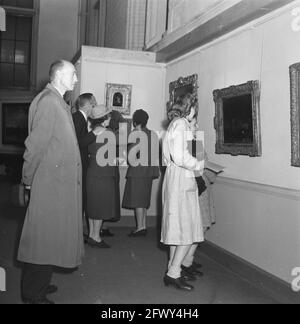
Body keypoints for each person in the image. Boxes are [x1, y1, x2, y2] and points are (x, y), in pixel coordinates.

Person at [18, 60, 84, 304]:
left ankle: (41, 285)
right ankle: (33, 295)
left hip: (56, 185)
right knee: (42, 241)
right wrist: (28, 181)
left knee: (49, 239)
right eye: (73, 74)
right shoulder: (48, 102)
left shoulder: (57, 101)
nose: (76, 79)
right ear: (58, 75)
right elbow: (34, 147)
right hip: (49, 185)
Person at [161, 94, 205, 291]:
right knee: (186, 229)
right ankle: (173, 272)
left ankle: (174, 269)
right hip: (182, 178)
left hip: (176, 178)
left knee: (177, 229)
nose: (196, 110)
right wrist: (199, 164)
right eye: (194, 107)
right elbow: (181, 156)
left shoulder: (174, 124)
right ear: (188, 107)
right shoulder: (181, 124)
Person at [86, 105, 121, 248]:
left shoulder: (90, 133)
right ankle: (96, 236)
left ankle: (91, 235)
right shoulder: (110, 134)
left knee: (93, 205)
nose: (110, 118)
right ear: (104, 118)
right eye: (108, 116)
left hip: (92, 172)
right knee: (100, 206)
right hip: (105, 174)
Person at [122, 109, 160, 237]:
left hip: (138, 170)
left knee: (138, 200)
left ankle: (140, 227)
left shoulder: (135, 134)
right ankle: (142, 225)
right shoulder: (153, 134)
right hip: (149, 171)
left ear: (135, 121)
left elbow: (130, 155)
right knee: (143, 200)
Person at [72, 93, 98, 241]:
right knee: (79, 199)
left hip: (81, 164)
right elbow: (77, 142)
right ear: (87, 104)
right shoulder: (78, 118)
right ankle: (75, 233)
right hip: (78, 165)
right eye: (93, 103)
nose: (94, 106)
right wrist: (95, 133)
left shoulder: (81, 118)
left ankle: (77, 232)